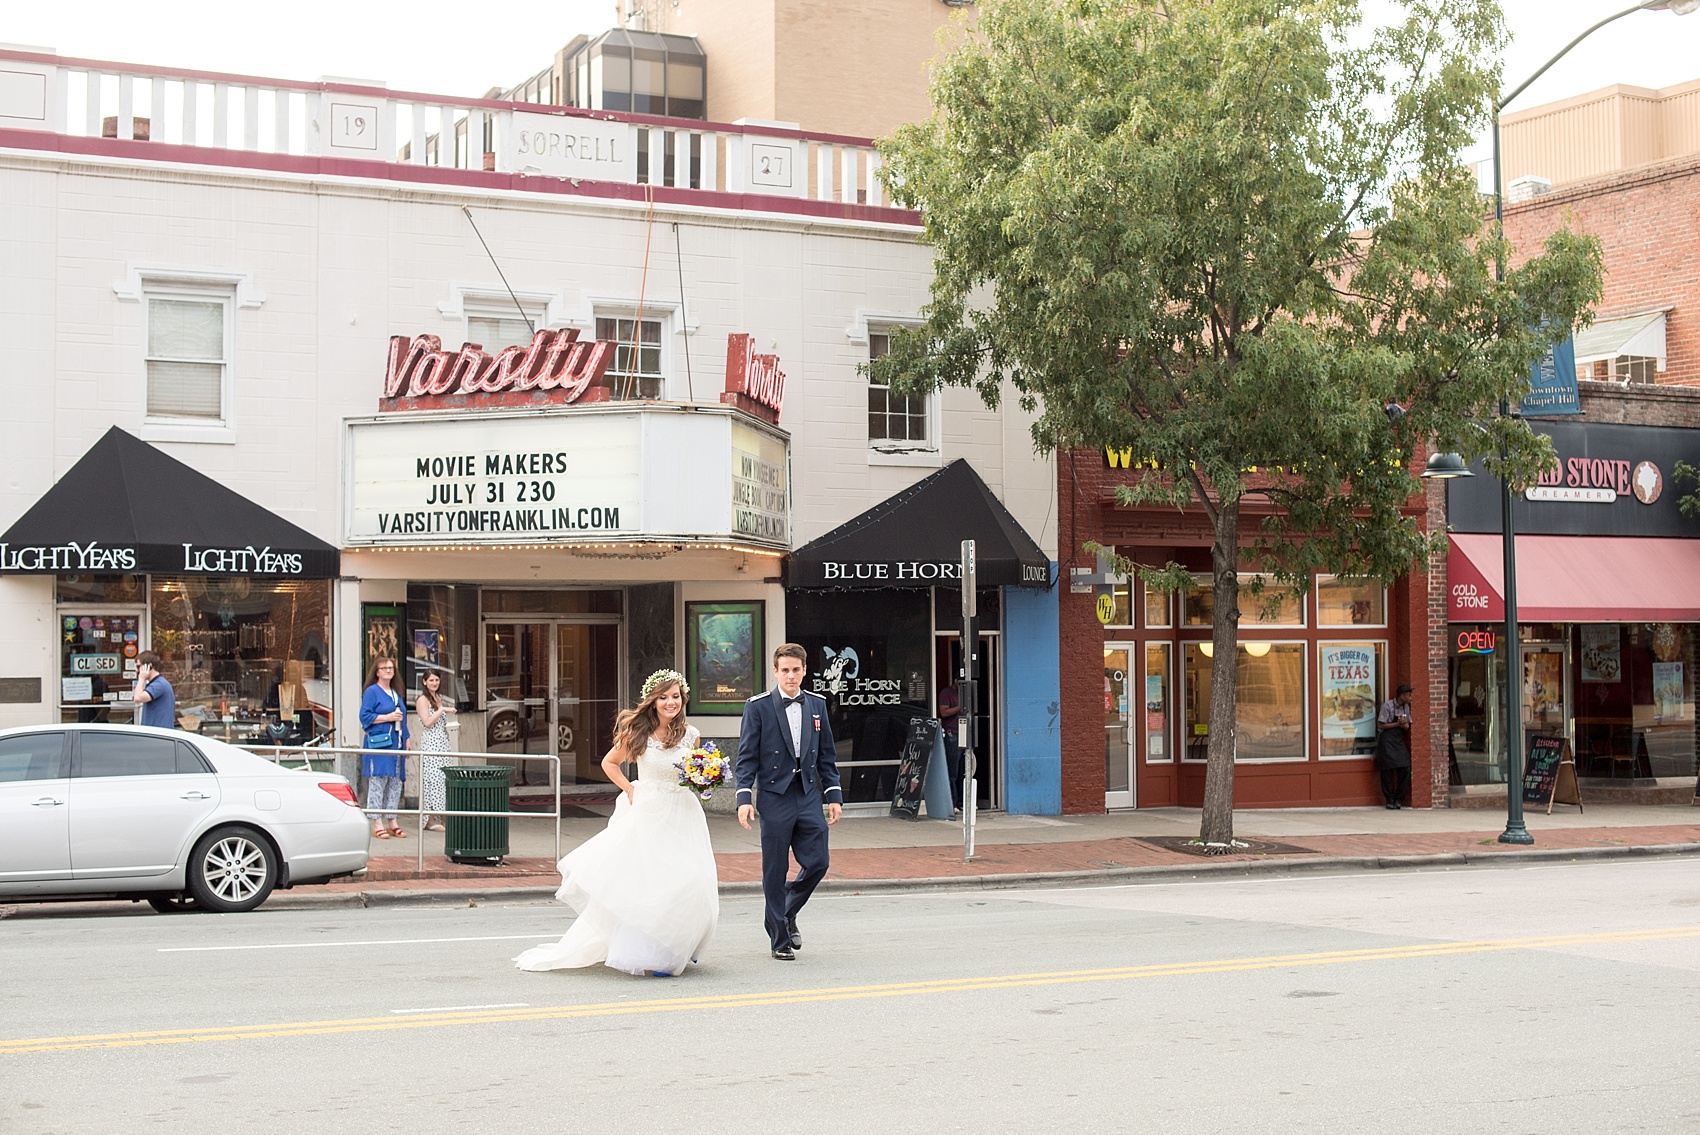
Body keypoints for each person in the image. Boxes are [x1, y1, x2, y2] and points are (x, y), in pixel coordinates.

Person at [515, 669, 718, 977]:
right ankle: (658, 952)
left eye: (675, 696)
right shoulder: (639, 732)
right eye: (663, 697)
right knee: (654, 883)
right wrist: (630, 787)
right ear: (652, 701)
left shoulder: (691, 734)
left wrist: (704, 780)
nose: (670, 703)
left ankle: (681, 943)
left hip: (683, 811)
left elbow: (695, 770)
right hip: (650, 810)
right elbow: (609, 763)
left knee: (692, 880)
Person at [736, 643, 842, 961]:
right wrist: (744, 798)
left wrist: (833, 795)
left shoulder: (818, 705)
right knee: (775, 868)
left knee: (819, 861)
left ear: (805, 670)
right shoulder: (758, 707)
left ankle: (784, 910)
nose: (791, 676)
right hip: (774, 796)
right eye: (785, 670)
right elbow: (746, 757)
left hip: (808, 794)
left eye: (796, 670)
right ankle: (779, 940)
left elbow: (826, 755)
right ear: (775, 671)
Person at [359, 657, 410, 839]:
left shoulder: (396, 693)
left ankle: (392, 819)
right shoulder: (372, 692)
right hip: (380, 742)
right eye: (384, 668)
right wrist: (387, 717)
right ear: (377, 672)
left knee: (395, 782)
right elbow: (364, 716)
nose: (389, 670)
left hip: (397, 743)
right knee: (378, 781)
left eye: (391, 667)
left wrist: (407, 738)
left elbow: (402, 718)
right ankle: (377, 821)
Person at [415, 671, 455, 832]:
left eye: (437, 680)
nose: (434, 683)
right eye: (431, 680)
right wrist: (441, 710)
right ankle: (430, 819)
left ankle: (443, 817)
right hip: (431, 744)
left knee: (444, 779)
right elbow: (427, 722)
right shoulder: (422, 700)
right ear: (424, 682)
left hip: (442, 742)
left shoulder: (438, 698)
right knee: (432, 780)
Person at [1375, 682, 1414, 809]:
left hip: (1398, 741)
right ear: (1402, 696)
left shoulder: (1406, 707)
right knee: (1387, 771)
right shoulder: (1387, 706)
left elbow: (1407, 726)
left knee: (1405, 768)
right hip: (1386, 741)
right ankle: (1390, 799)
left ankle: (1399, 799)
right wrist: (1397, 724)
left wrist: (1403, 724)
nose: (1410, 698)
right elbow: (1381, 725)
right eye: (1408, 695)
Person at [132, 651, 176, 729]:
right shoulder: (156, 683)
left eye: (138, 667)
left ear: (149, 666)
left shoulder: (159, 684)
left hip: (159, 735)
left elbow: (137, 698)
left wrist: (141, 678)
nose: (137, 670)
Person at [937, 681, 963, 816]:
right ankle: (952, 802)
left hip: (965, 734)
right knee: (953, 771)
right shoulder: (946, 693)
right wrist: (959, 707)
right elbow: (944, 712)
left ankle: (963, 802)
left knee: (964, 771)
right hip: (952, 734)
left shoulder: (967, 692)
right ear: (956, 680)